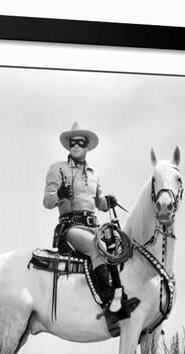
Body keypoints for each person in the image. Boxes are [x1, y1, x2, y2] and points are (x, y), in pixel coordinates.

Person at [43, 122, 136, 320]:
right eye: (73, 143)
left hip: (93, 226)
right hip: (70, 227)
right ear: (68, 146)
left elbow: (98, 203)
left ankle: (121, 292)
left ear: (87, 147)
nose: (76, 146)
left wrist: (107, 202)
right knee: (99, 247)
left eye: (81, 143)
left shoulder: (94, 174)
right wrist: (59, 193)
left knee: (118, 245)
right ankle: (109, 298)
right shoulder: (57, 169)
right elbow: (47, 202)